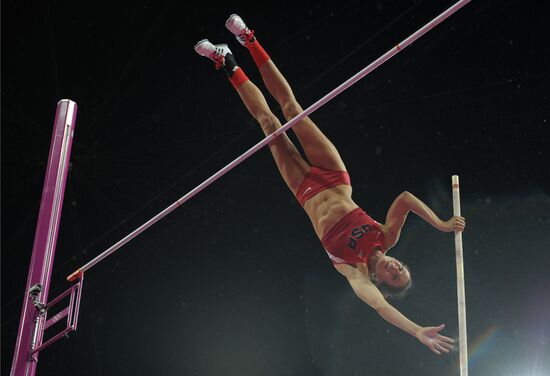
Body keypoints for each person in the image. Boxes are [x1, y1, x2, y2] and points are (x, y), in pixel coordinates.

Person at [195, 14, 465, 355]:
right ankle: (249, 39)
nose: (397, 269)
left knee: (268, 123)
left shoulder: (355, 273)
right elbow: (407, 198)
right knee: (292, 109)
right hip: (333, 177)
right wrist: (441, 224)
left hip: (304, 193)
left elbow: (381, 308)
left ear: (382, 282)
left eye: (395, 278)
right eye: (403, 269)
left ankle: (226, 62)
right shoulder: (387, 235)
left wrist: (417, 332)